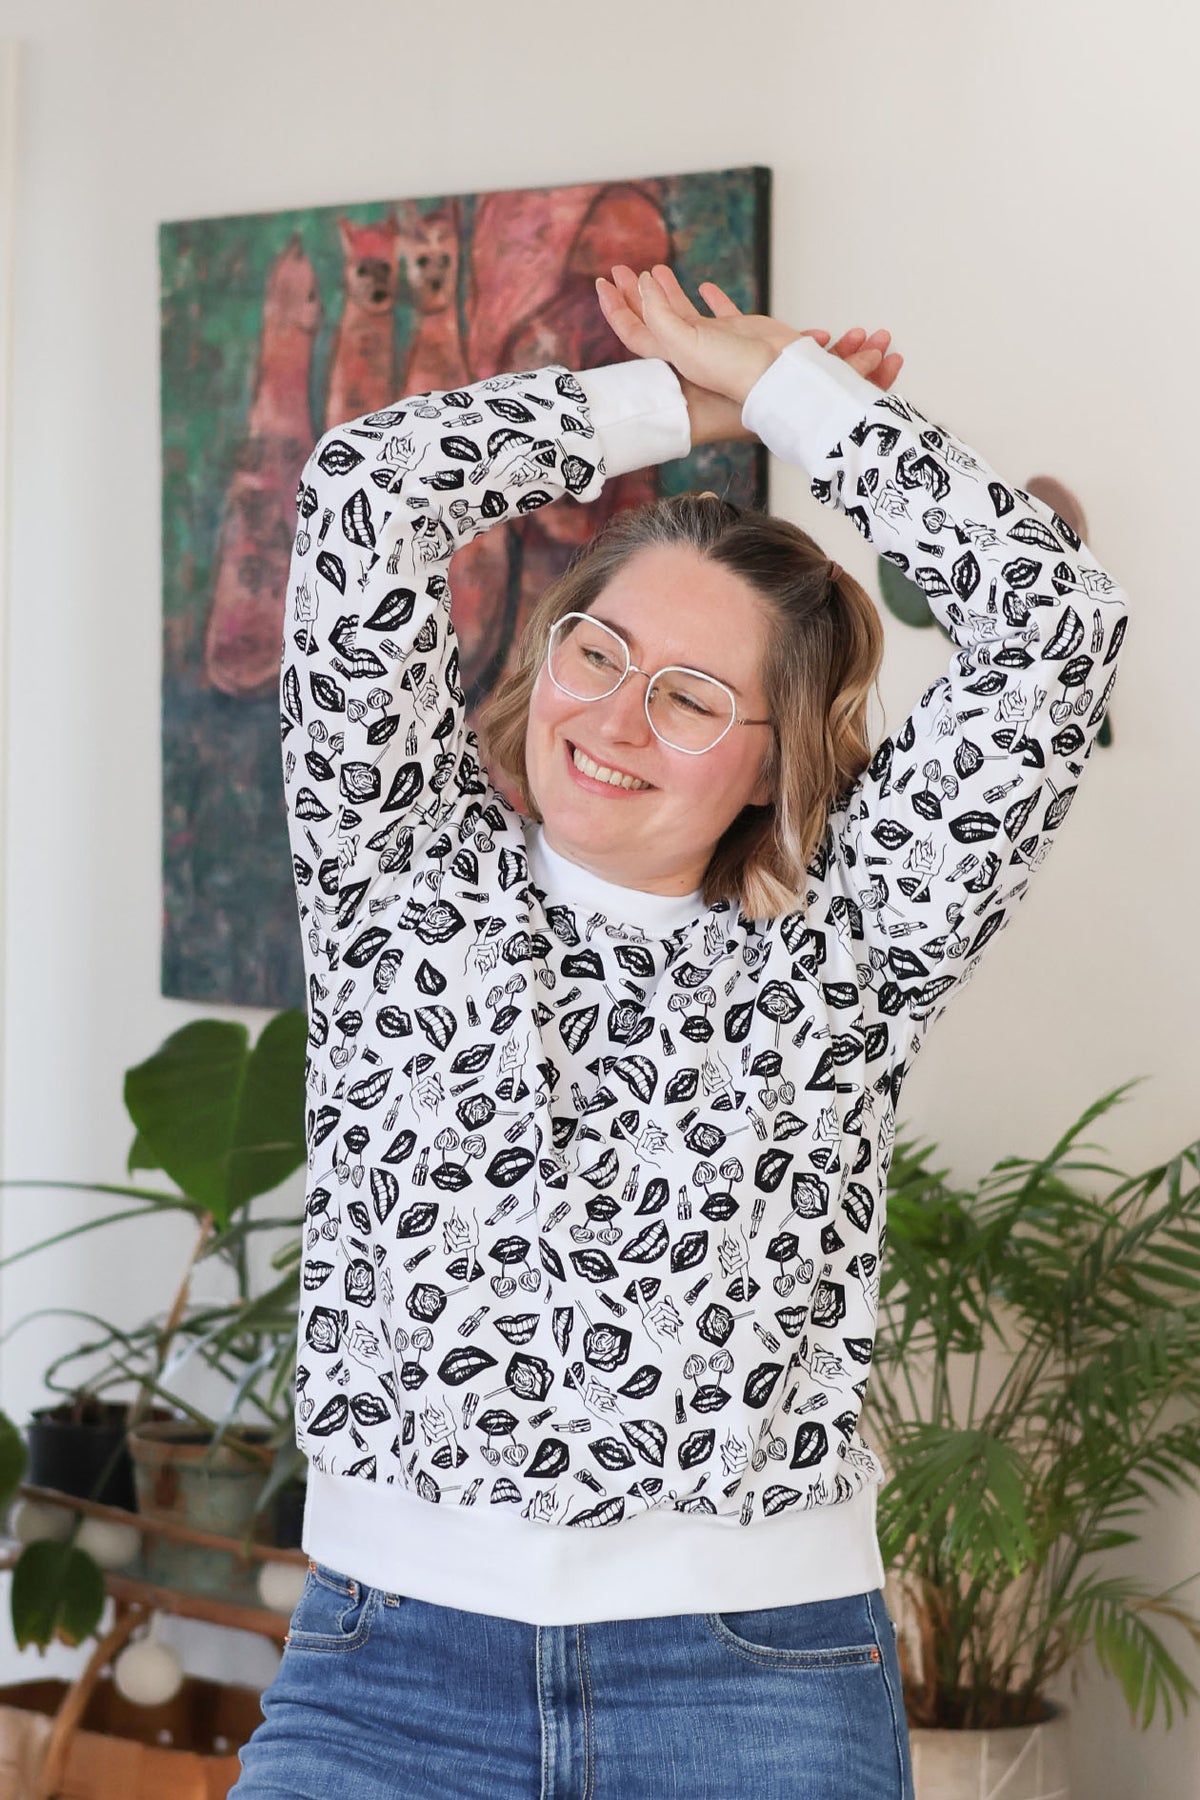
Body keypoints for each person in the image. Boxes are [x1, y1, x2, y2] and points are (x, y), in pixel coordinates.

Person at [232, 265, 1128, 1799]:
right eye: (599, 651)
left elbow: (1055, 627)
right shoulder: (396, 876)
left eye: (695, 696)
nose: (615, 718)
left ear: (774, 763)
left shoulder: (851, 946)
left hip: (753, 1686)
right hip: (388, 1676)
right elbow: (368, 490)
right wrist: (680, 403)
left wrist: (803, 397)